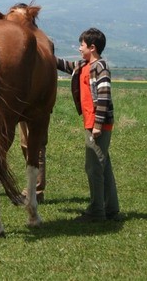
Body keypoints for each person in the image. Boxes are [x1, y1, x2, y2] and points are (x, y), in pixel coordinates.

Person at [55, 27, 121, 222]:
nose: (79, 48)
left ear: (92, 47)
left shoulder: (100, 67)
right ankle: (111, 208)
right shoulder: (83, 65)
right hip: (91, 123)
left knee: (93, 167)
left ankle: (96, 211)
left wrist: (98, 125)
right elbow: (65, 65)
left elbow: (104, 96)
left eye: (81, 45)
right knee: (103, 167)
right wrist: (44, 53)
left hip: (97, 125)